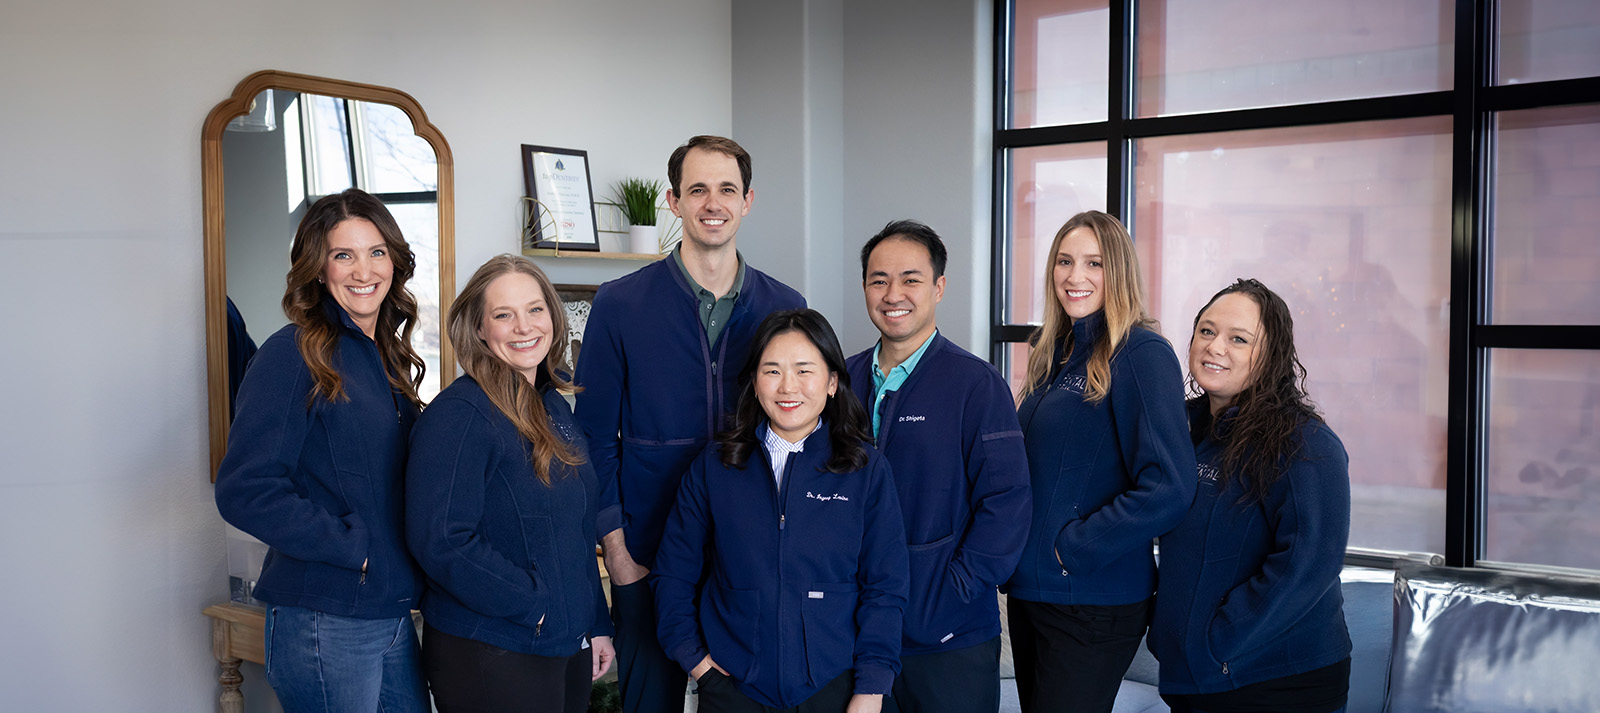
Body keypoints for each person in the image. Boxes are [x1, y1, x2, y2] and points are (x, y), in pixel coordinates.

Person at [575, 135, 806, 713]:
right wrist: (617, 553)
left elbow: (801, 431)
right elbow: (593, 438)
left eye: (727, 189)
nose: (713, 203)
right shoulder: (620, 304)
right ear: (674, 201)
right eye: (697, 189)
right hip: (646, 556)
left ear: (747, 200)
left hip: (748, 562)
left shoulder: (785, 306)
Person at [214, 188, 429, 713]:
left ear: (395, 262)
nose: (364, 270)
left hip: (390, 610)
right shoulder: (292, 353)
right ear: (318, 267)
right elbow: (245, 489)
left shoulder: (387, 358)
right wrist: (355, 548)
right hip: (324, 615)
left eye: (376, 252)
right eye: (343, 255)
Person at [654, 308, 910, 713]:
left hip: (834, 687)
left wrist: (872, 688)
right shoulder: (716, 465)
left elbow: (885, 587)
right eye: (772, 371)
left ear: (832, 382)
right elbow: (673, 572)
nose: (788, 386)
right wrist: (696, 662)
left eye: (804, 370)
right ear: (754, 383)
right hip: (733, 688)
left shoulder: (865, 470)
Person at [406, 255, 616, 713]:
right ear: (480, 329)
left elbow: (577, 530)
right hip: (493, 648)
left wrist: (595, 623)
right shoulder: (460, 414)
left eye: (535, 309)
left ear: (553, 317)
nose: (524, 327)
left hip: (564, 640)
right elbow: (441, 540)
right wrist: (533, 603)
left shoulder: (553, 407)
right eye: (504, 315)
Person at [1005, 210, 1197, 713]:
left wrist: (1073, 548)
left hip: (1091, 600)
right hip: (1033, 593)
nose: (1076, 276)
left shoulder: (1141, 352)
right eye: (1065, 261)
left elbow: (1169, 486)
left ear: (1119, 271)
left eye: (1094, 263)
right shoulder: (1054, 352)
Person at [843, 220, 1030, 713]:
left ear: (939, 287)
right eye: (879, 280)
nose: (893, 294)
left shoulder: (976, 384)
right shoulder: (841, 380)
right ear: (864, 288)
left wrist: (956, 588)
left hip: (950, 638)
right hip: (857, 634)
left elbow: (1007, 501)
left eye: (911, 279)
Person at [1150, 278, 1352, 713]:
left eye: (1238, 339)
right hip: (1196, 672)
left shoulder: (1306, 445)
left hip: (1276, 679)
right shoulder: (1182, 430)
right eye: (1206, 331)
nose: (1215, 347)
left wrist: (1217, 640)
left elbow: (1307, 565)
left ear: (1270, 356)